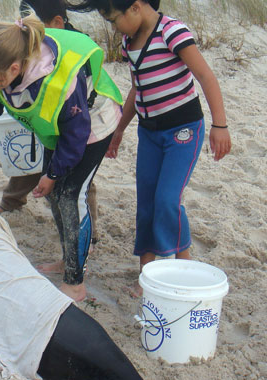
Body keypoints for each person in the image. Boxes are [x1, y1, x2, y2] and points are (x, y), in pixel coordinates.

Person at [0, 12, 123, 301]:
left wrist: (52, 174)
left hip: (93, 125)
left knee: (69, 195)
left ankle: (75, 283)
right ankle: (68, 260)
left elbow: (76, 136)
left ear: (14, 68)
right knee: (54, 196)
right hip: (57, 129)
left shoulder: (58, 82)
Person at [65, 0, 232, 296]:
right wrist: (118, 131)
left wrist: (220, 125)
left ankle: (185, 269)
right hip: (149, 133)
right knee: (146, 204)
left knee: (167, 200)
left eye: (114, 20)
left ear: (136, 7)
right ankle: (147, 275)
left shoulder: (172, 32)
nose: (114, 28)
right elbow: (136, 88)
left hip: (183, 131)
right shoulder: (130, 41)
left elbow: (205, 76)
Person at [0, 0, 119, 251]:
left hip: (87, 123)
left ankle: (87, 236)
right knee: (46, 175)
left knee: (75, 186)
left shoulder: (69, 52)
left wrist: (54, 173)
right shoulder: (29, 49)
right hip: (52, 126)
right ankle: (14, 201)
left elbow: (75, 127)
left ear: (56, 24)